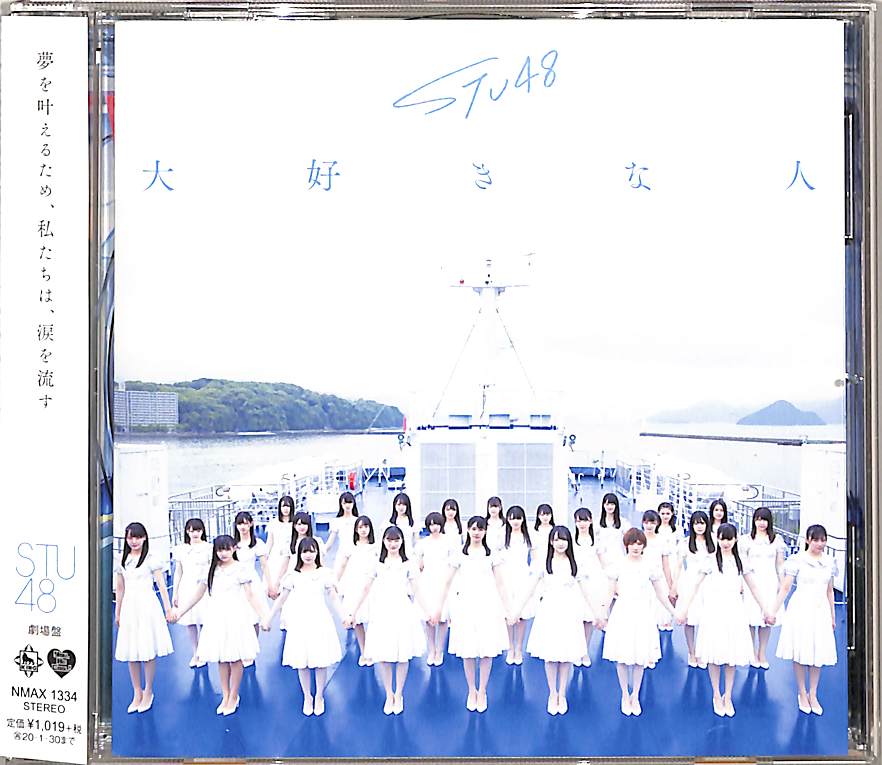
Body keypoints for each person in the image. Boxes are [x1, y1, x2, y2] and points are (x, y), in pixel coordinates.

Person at [675, 523, 774, 717]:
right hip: (713, 612)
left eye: (729, 538)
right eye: (722, 538)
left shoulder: (741, 562)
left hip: (734, 612)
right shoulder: (710, 561)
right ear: (717, 539)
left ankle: (727, 696)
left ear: (735, 539)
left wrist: (766, 609)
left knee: (731, 656)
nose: (726, 542)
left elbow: (754, 587)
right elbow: (695, 585)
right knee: (714, 654)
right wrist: (684, 608)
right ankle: (715, 694)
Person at [171, 535, 271, 716]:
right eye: (219, 549)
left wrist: (264, 616)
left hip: (236, 617)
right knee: (222, 658)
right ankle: (225, 695)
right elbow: (197, 595)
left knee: (235, 657)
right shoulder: (210, 571)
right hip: (216, 617)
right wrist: (180, 612)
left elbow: (250, 596)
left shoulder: (241, 569)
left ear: (234, 549)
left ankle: (234, 695)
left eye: (227, 549)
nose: (223, 553)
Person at [515, 526, 602, 715]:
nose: (560, 543)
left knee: (566, 655)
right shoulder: (543, 563)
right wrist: (517, 610)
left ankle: (562, 694)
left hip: (569, 613)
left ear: (569, 542)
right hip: (549, 613)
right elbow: (529, 588)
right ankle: (552, 693)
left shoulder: (575, 564)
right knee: (551, 655)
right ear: (551, 542)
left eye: (564, 539)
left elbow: (586, 591)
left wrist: (598, 613)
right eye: (556, 539)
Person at [343, 526, 428, 715]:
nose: (393, 544)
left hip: (402, 612)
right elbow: (365, 588)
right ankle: (389, 693)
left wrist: (427, 611)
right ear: (383, 541)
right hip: (382, 612)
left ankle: (399, 694)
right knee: (384, 655)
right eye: (389, 540)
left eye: (396, 540)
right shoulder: (377, 564)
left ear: (402, 541)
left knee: (402, 654)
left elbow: (417, 590)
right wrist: (352, 612)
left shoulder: (408, 564)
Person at [436, 516, 511, 712]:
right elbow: (446, 582)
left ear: (485, 531)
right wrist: (441, 607)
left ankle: (483, 690)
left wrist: (508, 609)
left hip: (488, 607)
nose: (477, 532)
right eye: (473, 529)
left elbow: (501, 584)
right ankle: (471, 690)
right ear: (468, 530)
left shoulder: (492, 554)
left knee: (486, 650)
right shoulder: (459, 554)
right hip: (465, 607)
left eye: (480, 529)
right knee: (468, 651)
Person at [263, 537, 344, 716]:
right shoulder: (293, 576)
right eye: (305, 551)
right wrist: (268, 618)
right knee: (302, 661)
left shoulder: (325, 574)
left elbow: (333, 597)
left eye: (312, 551)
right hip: (300, 621)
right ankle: (307, 696)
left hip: (320, 620)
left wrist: (344, 616)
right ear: (299, 554)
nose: (308, 555)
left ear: (317, 553)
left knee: (321, 660)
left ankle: (319, 696)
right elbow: (281, 599)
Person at [600, 528, 676, 717]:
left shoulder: (650, 566)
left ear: (644, 546)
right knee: (622, 656)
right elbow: (609, 593)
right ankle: (624, 695)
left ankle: (635, 695)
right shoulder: (618, 565)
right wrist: (601, 613)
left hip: (643, 614)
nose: (636, 547)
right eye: (632, 543)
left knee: (640, 656)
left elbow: (661, 594)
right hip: (623, 613)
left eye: (639, 543)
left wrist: (675, 612)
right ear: (626, 544)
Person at [770, 524, 837, 715]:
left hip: (821, 610)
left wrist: (832, 615)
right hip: (801, 609)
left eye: (823, 540)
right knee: (800, 650)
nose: (820, 544)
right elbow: (785, 588)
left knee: (818, 653)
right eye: (815, 540)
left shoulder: (829, 562)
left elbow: (830, 591)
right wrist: (773, 611)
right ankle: (801, 692)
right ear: (808, 540)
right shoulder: (797, 560)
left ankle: (813, 694)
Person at [114, 522, 174, 714]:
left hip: (147, 606)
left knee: (147, 650)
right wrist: (118, 612)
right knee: (131, 651)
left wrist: (168, 608)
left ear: (144, 538)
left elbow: (161, 585)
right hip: (129, 608)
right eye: (130, 537)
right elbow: (120, 588)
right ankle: (136, 692)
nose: (134, 541)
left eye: (138, 537)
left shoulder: (151, 558)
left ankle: (148, 690)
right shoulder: (121, 559)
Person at [740, 506, 786, 668]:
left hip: (769, 582)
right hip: (751, 582)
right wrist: (741, 583)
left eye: (764, 520)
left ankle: (762, 653)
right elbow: (742, 564)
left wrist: (782, 583)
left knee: (767, 619)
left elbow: (780, 564)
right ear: (754, 521)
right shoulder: (746, 540)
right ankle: (752, 652)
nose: (761, 523)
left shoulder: (776, 540)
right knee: (751, 618)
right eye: (758, 519)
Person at [671, 510, 715, 667]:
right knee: (689, 619)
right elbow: (678, 566)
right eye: (696, 523)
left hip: (710, 584)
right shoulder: (685, 543)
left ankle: (703, 652)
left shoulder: (714, 542)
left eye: (702, 523)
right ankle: (691, 651)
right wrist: (674, 585)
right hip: (689, 583)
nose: (699, 526)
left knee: (707, 620)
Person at [336, 516, 379, 665]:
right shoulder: (350, 547)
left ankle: (373, 650)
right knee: (357, 619)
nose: (363, 530)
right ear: (356, 529)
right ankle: (364, 651)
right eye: (360, 527)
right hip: (354, 585)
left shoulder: (376, 547)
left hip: (372, 586)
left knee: (374, 620)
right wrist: (335, 582)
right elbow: (342, 565)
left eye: (366, 526)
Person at [171, 517, 212, 667]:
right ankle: (195, 653)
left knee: (204, 620)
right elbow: (178, 572)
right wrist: (175, 592)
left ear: (202, 531)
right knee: (190, 621)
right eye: (191, 530)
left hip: (204, 588)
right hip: (186, 587)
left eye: (197, 530)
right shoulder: (181, 549)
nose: (194, 533)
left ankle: (204, 651)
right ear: (187, 531)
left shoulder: (209, 548)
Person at [498, 505, 533, 664]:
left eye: (518, 518)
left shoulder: (528, 535)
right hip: (506, 577)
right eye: (512, 518)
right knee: (508, 613)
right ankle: (510, 648)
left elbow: (535, 557)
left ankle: (519, 648)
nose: (515, 521)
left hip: (523, 577)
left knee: (522, 614)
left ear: (523, 519)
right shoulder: (502, 535)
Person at [416, 512, 451, 666]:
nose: (434, 527)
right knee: (428, 618)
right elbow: (418, 564)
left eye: (436, 524)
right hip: (428, 582)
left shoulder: (448, 542)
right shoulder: (423, 543)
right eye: (430, 524)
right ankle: (431, 650)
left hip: (444, 582)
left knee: (443, 618)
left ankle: (440, 650)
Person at [572, 508, 604, 666]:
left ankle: (585, 651)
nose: (582, 524)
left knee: (588, 619)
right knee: (576, 619)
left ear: (590, 521)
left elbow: (603, 562)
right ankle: (576, 650)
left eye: (584, 520)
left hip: (592, 582)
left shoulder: (596, 540)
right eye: (579, 521)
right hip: (575, 583)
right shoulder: (571, 540)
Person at [641, 510, 674, 633]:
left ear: (657, 523)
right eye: (646, 522)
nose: (649, 525)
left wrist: (670, 585)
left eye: (652, 522)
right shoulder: (638, 539)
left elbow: (666, 565)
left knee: (659, 610)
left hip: (658, 579)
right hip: (642, 579)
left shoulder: (661, 540)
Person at [265, 496, 296, 600]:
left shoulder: (295, 523)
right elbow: (270, 542)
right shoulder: (273, 523)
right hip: (276, 556)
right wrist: (265, 557)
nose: (286, 509)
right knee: (275, 584)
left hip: (291, 555)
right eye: (283, 506)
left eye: (288, 506)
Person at [596, 493, 633, 570]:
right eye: (607, 504)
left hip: (619, 558)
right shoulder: (597, 523)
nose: (610, 507)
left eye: (612, 504)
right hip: (602, 559)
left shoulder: (623, 522)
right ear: (603, 505)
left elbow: (630, 538)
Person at [325, 491, 360, 558]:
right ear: (341, 504)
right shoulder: (336, 521)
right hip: (342, 555)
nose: (347, 505)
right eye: (344, 503)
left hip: (356, 554)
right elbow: (330, 542)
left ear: (354, 503)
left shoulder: (358, 521)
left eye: (350, 502)